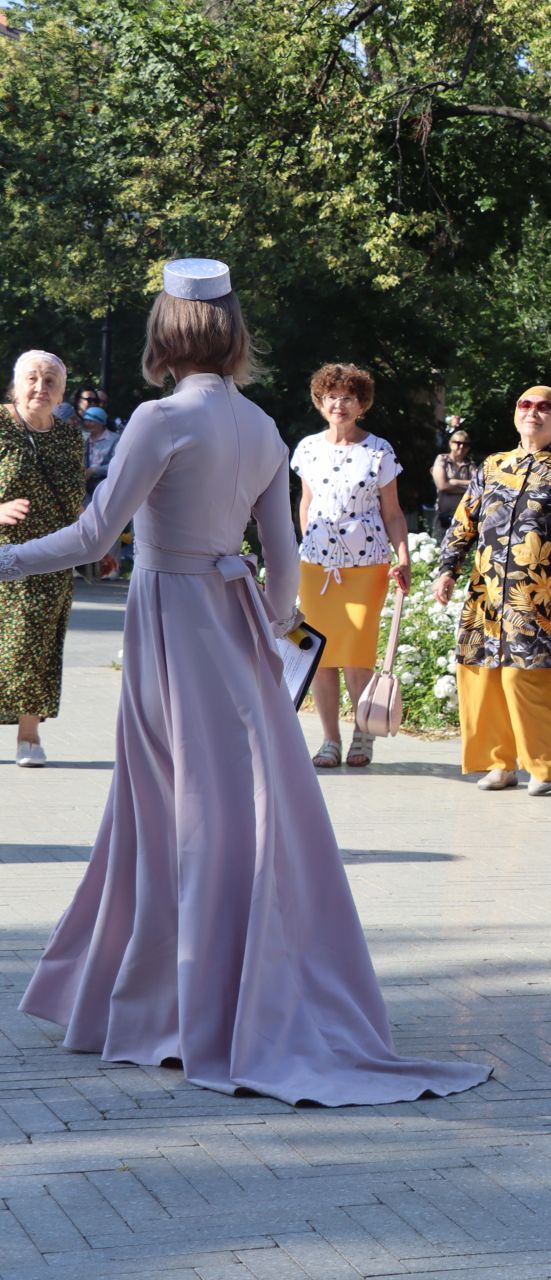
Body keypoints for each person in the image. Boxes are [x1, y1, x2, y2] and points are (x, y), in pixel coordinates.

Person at [0, 259, 487, 1104]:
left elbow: (90, 537)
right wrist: (278, 644)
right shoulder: (263, 426)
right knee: (212, 810)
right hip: (234, 629)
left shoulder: (157, 419)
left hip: (169, 619)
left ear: (166, 330)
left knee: (167, 810)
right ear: (230, 332)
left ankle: (173, 1008)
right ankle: (185, 998)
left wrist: (2, 558)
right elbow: (283, 569)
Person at [433, 384, 551, 797]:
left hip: (534, 596)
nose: (533, 413)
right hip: (486, 593)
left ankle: (542, 767)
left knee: (528, 677)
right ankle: (500, 764)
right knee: (483, 675)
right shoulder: (492, 465)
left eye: (544, 408)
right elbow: (464, 520)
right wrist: (447, 568)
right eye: (525, 405)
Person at [0, 351, 115, 767]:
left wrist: (96, 544)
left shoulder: (69, 437)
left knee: (37, 646)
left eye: (50, 381)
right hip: (2, 557)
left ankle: (28, 738)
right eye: (32, 379)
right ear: (16, 384)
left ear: (62, 392)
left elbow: (72, 500)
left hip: (52, 558)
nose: (40, 388)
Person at [292, 363, 410, 770]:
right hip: (316, 570)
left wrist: (404, 557)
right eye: (330, 397)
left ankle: (363, 734)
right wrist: (310, 543)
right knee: (319, 656)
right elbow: (306, 503)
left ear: (362, 405)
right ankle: (329, 740)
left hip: (366, 569)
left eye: (347, 397)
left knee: (358, 653)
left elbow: (392, 512)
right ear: (320, 402)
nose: (338, 404)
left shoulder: (379, 450)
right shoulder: (307, 448)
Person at [429, 427, 475, 538]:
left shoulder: (470, 464)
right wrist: (465, 488)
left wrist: (453, 482)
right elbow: (442, 485)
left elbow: (478, 486)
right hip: (443, 515)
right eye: (458, 443)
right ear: (450, 444)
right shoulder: (442, 459)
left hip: (463, 517)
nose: (461, 446)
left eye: (466, 444)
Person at [80, 406, 118, 496]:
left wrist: (94, 470)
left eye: (91, 421)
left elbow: (118, 464)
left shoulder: (114, 439)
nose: (87, 423)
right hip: (85, 491)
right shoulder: (83, 438)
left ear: (101, 422)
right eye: (86, 420)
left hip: (105, 488)